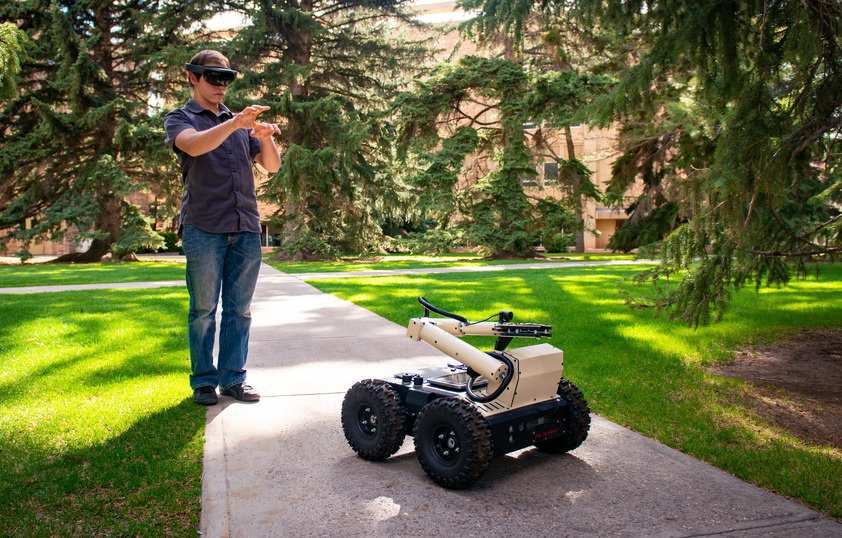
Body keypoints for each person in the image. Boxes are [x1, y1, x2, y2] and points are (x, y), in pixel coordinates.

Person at [164, 50, 281, 406]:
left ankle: (233, 380)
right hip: (204, 226)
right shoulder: (180, 118)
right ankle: (203, 381)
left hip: (245, 225)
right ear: (192, 78)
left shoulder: (238, 122)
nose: (220, 86)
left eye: (226, 79)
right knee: (203, 309)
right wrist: (235, 125)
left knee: (239, 309)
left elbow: (271, 166)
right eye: (212, 77)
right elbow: (194, 146)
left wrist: (263, 136)